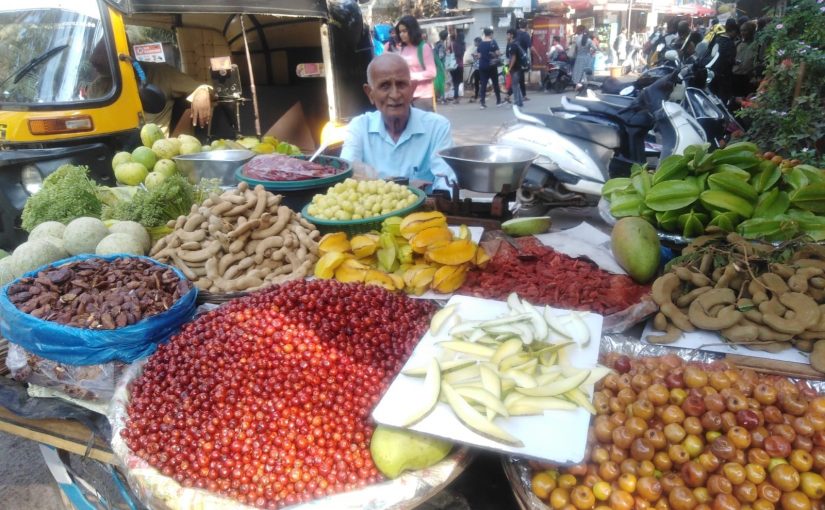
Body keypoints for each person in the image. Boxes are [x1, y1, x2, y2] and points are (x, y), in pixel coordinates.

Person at [340, 53, 456, 193]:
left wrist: (377, 185)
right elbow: (346, 178)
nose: (395, 95)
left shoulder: (437, 127)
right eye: (385, 86)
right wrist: (406, 187)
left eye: (401, 84)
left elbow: (446, 182)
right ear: (370, 93)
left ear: (412, 89)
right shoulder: (359, 127)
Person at [88, 40, 212, 135]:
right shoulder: (97, 87)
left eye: (102, 53)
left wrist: (202, 92)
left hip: (155, 150)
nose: (93, 59)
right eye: (96, 53)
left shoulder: (162, 73)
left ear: (124, 56)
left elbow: (200, 87)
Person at [393, 15, 437, 111]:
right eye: (400, 32)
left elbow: (432, 73)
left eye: (404, 31)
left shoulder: (424, 47)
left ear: (412, 30)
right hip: (406, 97)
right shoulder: (402, 49)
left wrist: (410, 76)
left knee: (424, 126)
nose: (401, 34)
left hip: (423, 97)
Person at [475, 27, 502, 109]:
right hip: (492, 66)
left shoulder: (481, 44)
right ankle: (498, 101)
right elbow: (498, 53)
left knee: (483, 84)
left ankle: (482, 103)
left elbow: (478, 55)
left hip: (482, 66)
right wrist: (497, 54)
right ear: (490, 34)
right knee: (495, 83)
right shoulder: (493, 42)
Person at [732, 21, 758, 97]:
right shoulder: (737, 44)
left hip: (749, 78)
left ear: (751, 31)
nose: (742, 33)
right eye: (741, 30)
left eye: (745, 30)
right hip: (736, 76)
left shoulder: (757, 45)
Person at [505, 28, 526, 107]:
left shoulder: (514, 45)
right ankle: (520, 102)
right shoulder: (512, 44)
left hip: (516, 69)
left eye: (508, 34)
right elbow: (508, 55)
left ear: (511, 35)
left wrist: (509, 68)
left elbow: (513, 58)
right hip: (516, 68)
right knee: (516, 85)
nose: (506, 36)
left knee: (514, 85)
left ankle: (517, 102)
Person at [515, 18, 531, 101]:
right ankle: (521, 95)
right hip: (521, 60)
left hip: (513, 58)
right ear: (527, 26)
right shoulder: (526, 35)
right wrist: (538, 56)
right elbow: (531, 47)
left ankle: (522, 95)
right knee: (519, 78)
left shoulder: (515, 33)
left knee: (517, 77)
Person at [448, 32, 466, 104]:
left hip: (453, 65)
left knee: (455, 82)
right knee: (459, 82)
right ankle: (458, 97)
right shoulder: (463, 44)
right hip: (460, 65)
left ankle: (456, 97)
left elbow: (448, 52)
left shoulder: (453, 44)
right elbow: (463, 53)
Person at [433, 30, 449, 105]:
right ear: (446, 37)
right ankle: (442, 98)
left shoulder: (436, 44)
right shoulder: (441, 45)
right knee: (441, 82)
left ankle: (437, 97)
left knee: (437, 82)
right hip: (440, 65)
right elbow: (441, 55)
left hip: (435, 65)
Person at [468, 37, 482, 103]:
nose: (474, 43)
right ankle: (479, 95)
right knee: (478, 82)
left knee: (477, 82)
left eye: (475, 42)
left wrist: (474, 56)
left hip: (479, 67)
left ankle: (478, 96)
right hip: (477, 67)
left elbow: (479, 56)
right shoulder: (477, 48)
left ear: (478, 42)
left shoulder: (480, 48)